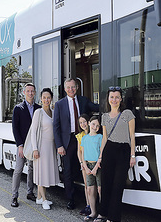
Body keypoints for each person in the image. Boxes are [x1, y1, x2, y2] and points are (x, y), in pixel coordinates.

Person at [53, 78, 99, 210]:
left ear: (77, 87)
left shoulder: (84, 100)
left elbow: (96, 107)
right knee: (68, 170)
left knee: (84, 167)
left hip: (83, 139)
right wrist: (59, 145)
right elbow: (56, 126)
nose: (71, 90)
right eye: (68, 87)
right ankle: (71, 199)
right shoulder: (59, 104)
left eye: (73, 87)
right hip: (68, 141)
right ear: (65, 89)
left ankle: (89, 200)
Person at [95, 86, 136, 222]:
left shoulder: (127, 114)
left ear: (121, 99)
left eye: (117, 97)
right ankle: (103, 213)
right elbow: (105, 138)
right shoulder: (105, 117)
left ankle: (113, 218)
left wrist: (132, 155)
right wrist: (100, 156)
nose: (114, 99)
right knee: (106, 184)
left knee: (118, 186)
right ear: (108, 99)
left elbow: (132, 136)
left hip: (123, 151)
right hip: (109, 151)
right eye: (112, 97)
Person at [11, 83, 41, 207]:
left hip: (33, 144)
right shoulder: (18, 108)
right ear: (24, 92)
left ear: (34, 92)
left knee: (31, 169)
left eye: (32, 91)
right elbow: (15, 128)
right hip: (23, 145)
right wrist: (20, 145)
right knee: (18, 170)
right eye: (28, 91)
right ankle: (14, 196)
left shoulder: (39, 108)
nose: (30, 93)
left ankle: (30, 192)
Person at [30, 88, 60, 210]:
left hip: (51, 146)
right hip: (41, 146)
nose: (46, 100)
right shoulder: (39, 112)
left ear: (51, 98)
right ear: (41, 99)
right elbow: (33, 132)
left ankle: (38, 198)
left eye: (48, 97)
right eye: (44, 97)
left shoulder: (53, 111)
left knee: (45, 172)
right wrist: (35, 148)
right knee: (41, 174)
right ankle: (44, 200)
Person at [80, 116, 102, 221]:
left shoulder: (100, 137)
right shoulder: (84, 138)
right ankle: (93, 212)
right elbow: (83, 154)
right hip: (88, 166)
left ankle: (102, 212)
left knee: (100, 189)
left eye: (97, 126)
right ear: (89, 123)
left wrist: (96, 167)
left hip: (98, 166)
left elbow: (101, 153)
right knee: (90, 189)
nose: (95, 127)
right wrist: (85, 166)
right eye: (93, 124)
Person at [76, 114, 91, 216]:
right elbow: (79, 151)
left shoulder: (93, 133)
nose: (83, 124)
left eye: (84, 122)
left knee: (94, 186)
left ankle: (95, 205)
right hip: (84, 164)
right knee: (86, 185)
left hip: (93, 162)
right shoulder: (80, 135)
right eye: (80, 123)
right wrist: (81, 163)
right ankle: (88, 205)